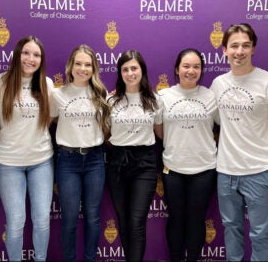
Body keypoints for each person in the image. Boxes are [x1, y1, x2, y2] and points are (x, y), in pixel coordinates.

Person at [210, 23, 268, 261]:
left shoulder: (267, 81)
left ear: (253, 48)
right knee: (231, 229)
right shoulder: (218, 84)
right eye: (234, 46)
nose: (240, 51)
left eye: (245, 45)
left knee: (261, 234)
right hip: (226, 171)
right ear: (224, 50)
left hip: (260, 170)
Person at [50, 44, 110, 262]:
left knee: (93, 217)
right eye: (78, 63)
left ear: (94, 68)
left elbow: (105, 127)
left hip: (95, 160)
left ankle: (90, 258)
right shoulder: (57, 95)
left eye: (88, 64)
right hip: (68, 161)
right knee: (70, 217)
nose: (83, 68)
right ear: (70, 66)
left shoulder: (100, 93)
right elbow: (50, 120)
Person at [0, 36, 54, 261]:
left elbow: (49, 118)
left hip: (41, 161)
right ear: (17, 55)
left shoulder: (46, 83)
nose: (31, 59)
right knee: (16, 221)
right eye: (26, 53)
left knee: (41, 220)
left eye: (37, 55)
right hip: (8, 164)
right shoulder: (0, 82)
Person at [158, 48, 218, 261]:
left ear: (201, 70)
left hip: (204, 169)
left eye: (196, 67)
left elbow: (222, 126)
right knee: (176, 218)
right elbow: (158, 129)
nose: (191, 71)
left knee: (196, 219)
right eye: (186, 66)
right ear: (177, 69)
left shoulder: (211, 95)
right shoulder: (164, 96)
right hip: (173, 168)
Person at [106, 50, 163, 262]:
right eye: (125, 69)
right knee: (123, 219)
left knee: (137, 221)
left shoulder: (155, 100)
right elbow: (104, 132)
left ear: (142, 71)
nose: (130, 73)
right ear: (120, 73)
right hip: (117, 162)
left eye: (134, 68)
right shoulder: (110, 99)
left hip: (145, 163)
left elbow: (161, 133)